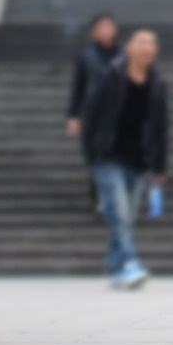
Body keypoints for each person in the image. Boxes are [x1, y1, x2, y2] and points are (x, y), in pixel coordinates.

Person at [81, 29, 169, 289]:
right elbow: (91, 115)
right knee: (118, 214)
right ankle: (130, 263)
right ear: (128, 47)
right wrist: (91, 153)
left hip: (138, 160)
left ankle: (114, 268)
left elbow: (161, 128)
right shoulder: (110, 77)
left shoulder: (157, 84)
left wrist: (159, 166)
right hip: (107, 157)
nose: (147, 47)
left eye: (152, 43)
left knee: (125, 218)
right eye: (141, 42)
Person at [65, 12, 120, 210]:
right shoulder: (86, 56)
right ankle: (99, 196)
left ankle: (116, 196)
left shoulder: (124, 54)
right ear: (93, 31)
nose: (106, 30)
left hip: (119, 115)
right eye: (101, 27)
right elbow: (78, 86)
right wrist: (73, 114)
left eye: (109, 26)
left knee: (118, 157)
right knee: (96, 157)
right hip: (93, 116)